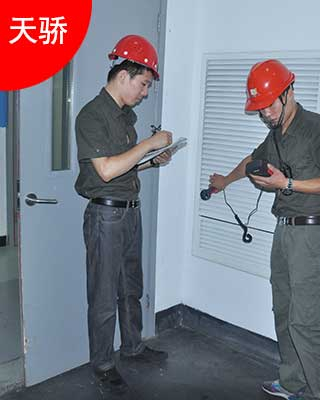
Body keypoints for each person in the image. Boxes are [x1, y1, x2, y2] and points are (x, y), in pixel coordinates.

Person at [209, 59, 320, 400]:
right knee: (284, 312)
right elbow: (252, 161)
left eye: (270, 105)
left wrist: (286, 183)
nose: (266, 114)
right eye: (259, 109)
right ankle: (292, 383)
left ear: (289, 92)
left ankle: (318, 395)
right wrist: (225, 181)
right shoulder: (275, 135)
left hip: (311, 235)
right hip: (283, 232)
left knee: (307, 321)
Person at [75, 34, 172, 394]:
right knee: (104, 295)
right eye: (143, 84)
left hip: (129, 212)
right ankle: (102, 364)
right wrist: (147, 144)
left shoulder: (124, 117)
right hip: (106, 217)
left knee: (131, 287)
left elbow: (122, 167)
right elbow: (105, 171)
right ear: (122, 76)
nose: (145, 93)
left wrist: (151, 161)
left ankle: (133, 347)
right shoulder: (92, 115)